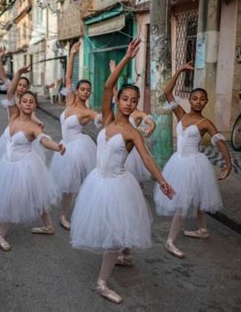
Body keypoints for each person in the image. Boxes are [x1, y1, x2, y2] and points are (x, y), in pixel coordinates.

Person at [70, 39, 175, 304]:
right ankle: (126, 256)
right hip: (98, 181)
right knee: (114, 228)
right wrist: (127, 57)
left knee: (115, 233)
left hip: (117, 184)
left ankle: (102, 283)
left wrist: (162, 180)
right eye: (125, 99)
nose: (129, 104)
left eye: (134, 101)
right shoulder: (106, 118)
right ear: (117, 100)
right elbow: (106, 85)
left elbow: (147, 159)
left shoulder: (132, 132)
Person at [154, 61, 232, 259]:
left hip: (193, 163)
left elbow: (220, 142)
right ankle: (203, 230)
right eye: (195, 98)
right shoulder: (181, 114)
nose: (198, 101)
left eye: (202, 99)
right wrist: (179, 70)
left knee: (183, 200)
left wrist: (228, 163)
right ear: (189, 99)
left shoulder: (205, 122)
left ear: (206, 102)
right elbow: (167, 93)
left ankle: (170, 241)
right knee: (193, 197)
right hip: (178, 161)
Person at [0, 89, 65, 252]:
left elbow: (43, 140)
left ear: (35, 106)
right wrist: (19, 73)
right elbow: (10, 93)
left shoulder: (33, 127)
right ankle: (48, 226)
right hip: (8, 165)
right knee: (36, 195)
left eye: (31, 101)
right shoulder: (13, 117)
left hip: (24, 166)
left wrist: (57, 147)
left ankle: (1, 235)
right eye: (25, 101)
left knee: (13, 200)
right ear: (19, 104)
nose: (28, 103)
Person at [50, 41, 102, 231]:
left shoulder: (88, 112)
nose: (86, 92)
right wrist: (72, 54)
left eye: (88, 90)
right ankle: (64, 215)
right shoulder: (70, 100)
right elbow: (69, 76)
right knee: (67, 186)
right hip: (64, 146)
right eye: (83, 89)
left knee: (76, 185)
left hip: (79, 149)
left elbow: (103, 119)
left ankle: (81, 214)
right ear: (78, 90)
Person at [0, 47, 46, 164]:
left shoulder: (26, 102)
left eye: (24, 86)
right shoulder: (11, 96)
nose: (21, 87)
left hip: (23, 133)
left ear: (27, 88)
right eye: (19, 85)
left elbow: (32, 115)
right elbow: (2, 76)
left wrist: (38, 121)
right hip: (12, 131)